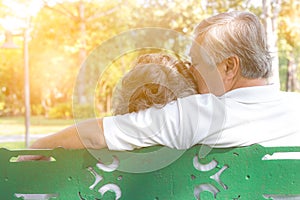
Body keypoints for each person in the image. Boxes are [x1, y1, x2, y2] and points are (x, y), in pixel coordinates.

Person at [28, 10, 300, 152]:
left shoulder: (202, 113)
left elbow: (98, 135)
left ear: (230, 66)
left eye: (198, 64)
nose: (192, 71)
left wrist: (36, 147)